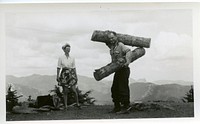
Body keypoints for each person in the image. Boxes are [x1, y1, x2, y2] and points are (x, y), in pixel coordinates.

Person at [106, 31, 132, 114]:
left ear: (116, 37)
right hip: (117, 70)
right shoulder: (112, 48)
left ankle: (125, 107)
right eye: (110, 38)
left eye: (112, 37)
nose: (111, 39)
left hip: (124, 69)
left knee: (123, 88)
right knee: (114, 89)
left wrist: (127, 62)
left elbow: (129, 51)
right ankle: (117, 107)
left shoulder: (120, 45)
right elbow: (113, 60)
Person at [56, 42, 80, 110]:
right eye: (67, 49)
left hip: (71, 74)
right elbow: (58, 67)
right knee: (65, 90)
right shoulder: (61, 58)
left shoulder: (72, 58)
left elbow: (74, 67)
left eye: (69, 49)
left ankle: (77, 103)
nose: (68, 50)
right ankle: (65, 106)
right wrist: (57, 76)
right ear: (64, 50)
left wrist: (76, 75)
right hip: (64, 74)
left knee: (73, 89)